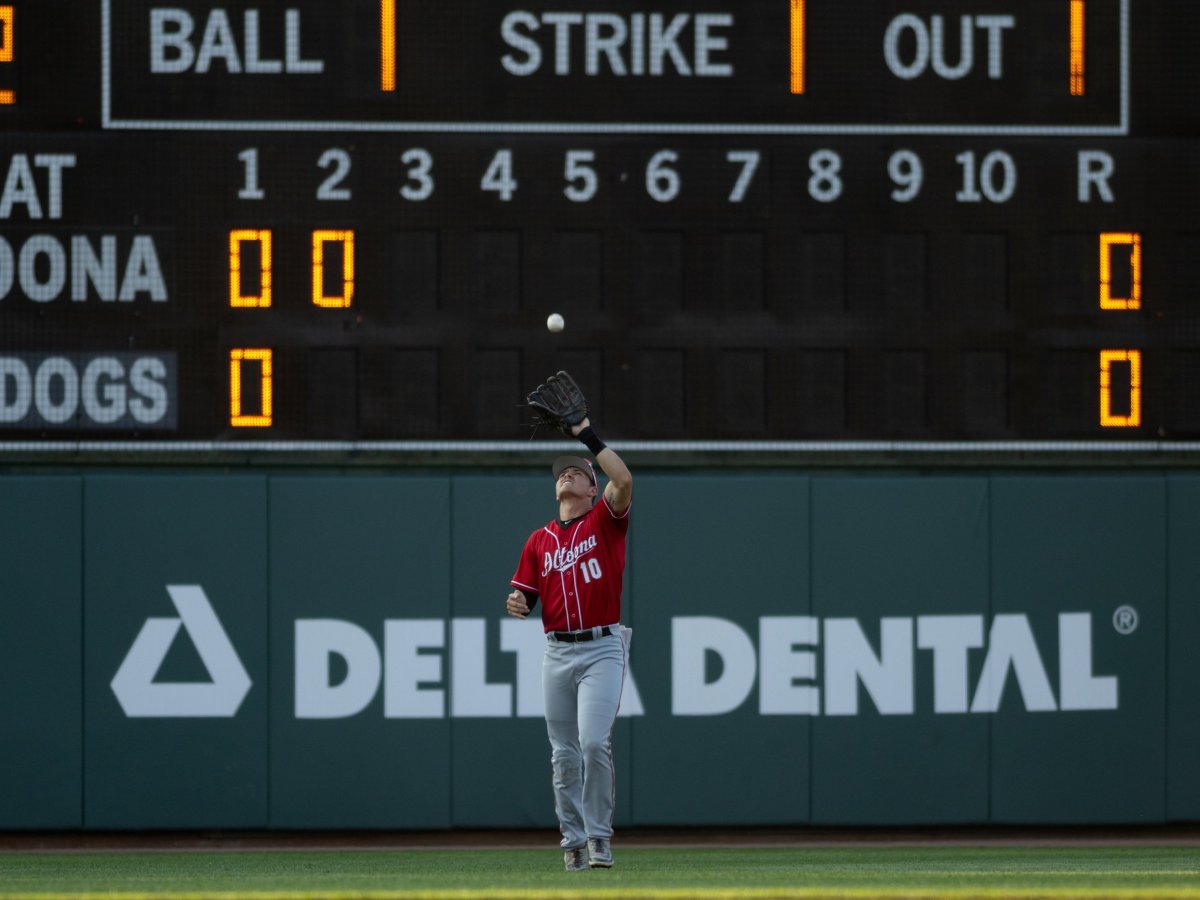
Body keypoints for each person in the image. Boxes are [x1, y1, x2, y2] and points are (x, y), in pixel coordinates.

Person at [506, 414, 633, 872]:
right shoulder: (538, 541)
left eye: (577, 472)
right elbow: (526, 594)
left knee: (594, 743)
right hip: (557, 651)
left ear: (593, 488)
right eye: (561, 473)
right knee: (563, 754)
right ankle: (573, 840)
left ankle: (599, 836)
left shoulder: (605, 521)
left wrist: (586, 435)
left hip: (602, 648)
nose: (566, 475)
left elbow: (624, 478)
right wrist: (518, 601)